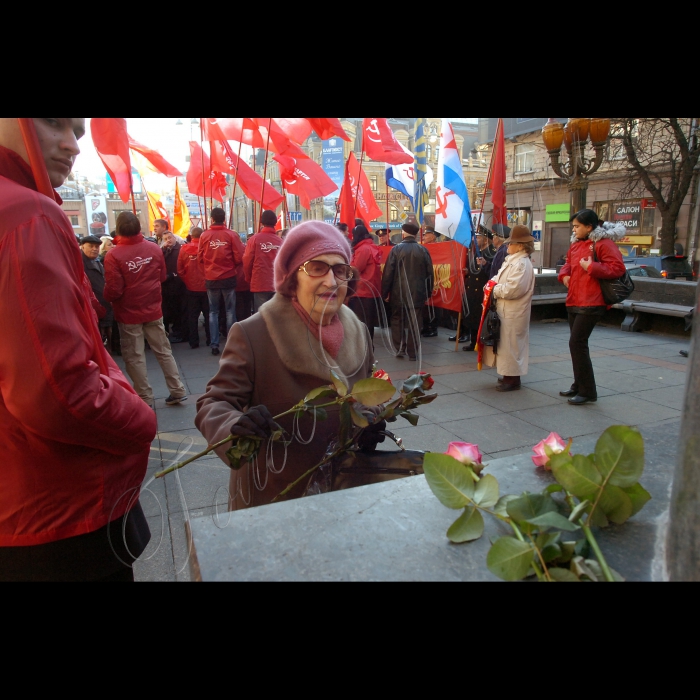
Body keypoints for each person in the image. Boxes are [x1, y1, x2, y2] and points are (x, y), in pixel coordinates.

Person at [0, 117, 156, 581]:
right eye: (53, 123)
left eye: (79, 133)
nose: (71, 146)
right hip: (60, 505)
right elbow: (57, 390)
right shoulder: (28, 215)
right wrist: (141, 419)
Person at [195, 221, 379, 509]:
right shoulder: (254, 333)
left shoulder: (360, 332)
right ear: (293, 278)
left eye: (340, 270)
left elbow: (361, 398)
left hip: (343, 490)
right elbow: (213, 403)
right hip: (273, 494)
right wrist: (235, 425)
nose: (331, 282)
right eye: (317, 268)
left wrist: (370, 422)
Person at [104, 212, 188, 408]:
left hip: (128, 311)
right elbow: (161, 276)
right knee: (163, 350)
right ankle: (177, 389)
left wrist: (107, 298)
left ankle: (145, 397)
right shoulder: (152, 248)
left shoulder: (114, 255)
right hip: (153, 307)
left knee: (134, 355)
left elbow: (114, 289)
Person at [558, 210, 627, 405]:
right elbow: (567, 265)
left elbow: (617, 268)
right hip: (574, 299)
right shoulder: (576, 244)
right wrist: (564, 276)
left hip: (592, 300)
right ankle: (579, 384)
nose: (574, 229)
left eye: (577, 226)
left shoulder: (603, 244)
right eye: (573, 226)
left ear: (589, 227)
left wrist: (592, 268)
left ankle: (588, 391)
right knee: (577, 345)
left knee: (577, 343)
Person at [482, 225, 536, 392]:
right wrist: (491, 286)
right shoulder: (513, 261)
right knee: (506, 345)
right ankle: (508, 374)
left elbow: (513, 289)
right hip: (506, 310)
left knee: (511, 346)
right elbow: (495, 279)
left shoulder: (521, 264)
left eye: (510, 243)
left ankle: (512, 378)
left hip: (513, 311)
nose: (507, 246)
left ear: (520, 245)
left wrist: (493, 290)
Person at [382, 222, 434, 360]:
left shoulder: (396, 250)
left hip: (398, 292)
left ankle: (400, 349)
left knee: (397, 320)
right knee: (415, 322)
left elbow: (388, 273)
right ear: (416, 234)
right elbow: (430, 274)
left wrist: (385, 292)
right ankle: (413, 352)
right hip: (418, 293)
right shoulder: (423, 250)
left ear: (403, 233)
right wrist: (428, 292)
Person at [198, 207, 245, 356]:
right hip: (228, 277)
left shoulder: (204, 236)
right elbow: (239, 257)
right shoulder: (230, 235)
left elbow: (200, 258)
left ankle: (214, 344)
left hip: (212, 278)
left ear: (212, 219)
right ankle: (232, 344)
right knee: (230, 311)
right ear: (224, 219)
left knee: (213, 312)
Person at [177, 227, 211, 349]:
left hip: (191, 287)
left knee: (192, 315)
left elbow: (180, 269)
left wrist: (186, 280)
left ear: (191, 236)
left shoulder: (183, 249)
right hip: (206, 286)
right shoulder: (206, 248)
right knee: (208, 314)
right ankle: (210, 339)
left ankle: (193, 341)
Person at [80, 234, 114, 351]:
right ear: (82, 246)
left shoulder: (97, 261)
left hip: (103, 304)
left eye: (96, 246)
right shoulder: (79, 263)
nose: (94, 249)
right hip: (92, 306)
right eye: (91, 246)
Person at [243, 209, 282, 313]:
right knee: (274, 315)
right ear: (275, 222)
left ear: (262, 222)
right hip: (276, 283)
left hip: (259, 282)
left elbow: (247, 261)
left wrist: (248, 278)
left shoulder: (254, 239)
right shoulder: (280, 241)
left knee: (260, 316)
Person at [349, 224, 382, 343]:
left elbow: (355, 269)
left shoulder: (362, 249)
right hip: (371, 289)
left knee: (361, 322)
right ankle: (368, 347)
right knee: (368, 322)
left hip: (361, 290)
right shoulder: (371, 246)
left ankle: (365, 348)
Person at [161, 231, 187, 343]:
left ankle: (179, 332)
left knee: (178, 310)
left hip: (178, 284)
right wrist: (163, 250)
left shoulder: (180, 249)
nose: (168, 240)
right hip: (166, 285)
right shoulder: (163, 250)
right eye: (166, 238)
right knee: (168, 310)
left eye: (170, 237)